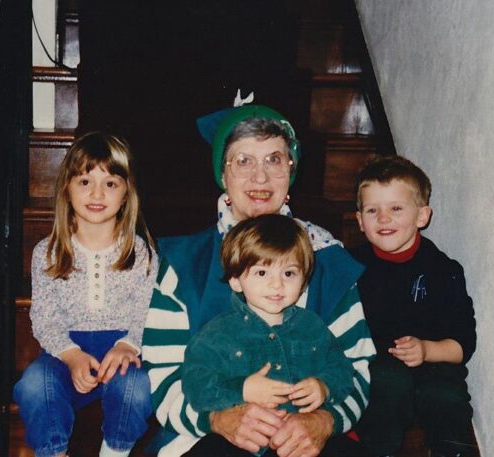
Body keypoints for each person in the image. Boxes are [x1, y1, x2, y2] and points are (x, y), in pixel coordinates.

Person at [141, 104, 375, 457]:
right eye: (243, 161)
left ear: (291, 170)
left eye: (274, 160)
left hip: (305, 436)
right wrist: (218, 419)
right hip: (207, 435)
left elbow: (355, 369)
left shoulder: (328, 260)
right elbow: (162, 375)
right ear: (223, 174)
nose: (260, 178)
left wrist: (325, 420)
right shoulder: (183, 263)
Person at [14, 132, 159, 457]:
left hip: (121, 352)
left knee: (138, 387)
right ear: (67, 188)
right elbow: (44, 317)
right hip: (65, 352)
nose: (97, 193)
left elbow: (146, 311)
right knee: (34, 385)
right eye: (84, 182)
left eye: (110, 183)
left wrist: (128, 345)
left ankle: (114, 451)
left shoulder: (141, 254)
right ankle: (54, 451)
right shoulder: (48, 252)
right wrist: (71, 355)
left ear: (126, 193)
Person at [182, 214, 356, 456]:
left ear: (304, 280)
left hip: (301, 441)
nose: (277, 285)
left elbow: (342, 369)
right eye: (262, 273)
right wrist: (241, 389)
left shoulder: (312, 327)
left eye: (289, 273)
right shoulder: (217, 334)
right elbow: (195, 384)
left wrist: (324, 387)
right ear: (235, 280)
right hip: (242, 442)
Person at [349, 156, 477, 457]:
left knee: (446, 395)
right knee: (386, 381)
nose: (383, 218)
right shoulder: (350, 266)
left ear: (422, 216)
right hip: (379, 371)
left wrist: (427, 350)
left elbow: (463, 344)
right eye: (372, 210)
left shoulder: (443, 270)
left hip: (434, 364)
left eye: (396, 208)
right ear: (360, 221)